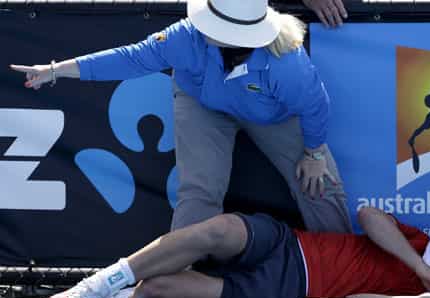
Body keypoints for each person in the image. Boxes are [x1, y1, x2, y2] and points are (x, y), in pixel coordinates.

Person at [10, 0, 352, 234]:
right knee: (199, 191)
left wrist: (314, 153)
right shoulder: (185, 36)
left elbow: (315, 106)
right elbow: (131, 59)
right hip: (203, 105)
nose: (201, 26)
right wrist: (54, 71)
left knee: (318, 183)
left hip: (274, 115)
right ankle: (179, 280)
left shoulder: (286, 61)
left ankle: (344, 270)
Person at [44, 207, 430, 298]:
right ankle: (95, 287)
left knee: (160, 293)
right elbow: (369, 217)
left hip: (282, 296)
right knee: (218, 229)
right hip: (289, 245)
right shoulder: (425, 245)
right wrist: (418, 266)